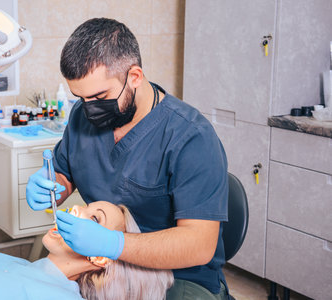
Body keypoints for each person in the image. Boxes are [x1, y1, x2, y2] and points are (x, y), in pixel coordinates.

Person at [26, 18, 229, 299]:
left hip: (179, 275)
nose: (90, 109)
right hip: (103, 265)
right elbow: (64, 173)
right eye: (80, 98)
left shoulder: (191, 138)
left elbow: (199, 245)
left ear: (134, 76)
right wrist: (53, 183)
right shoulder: (82, 116)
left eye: (100, 96)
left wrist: (114, 243)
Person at [0, 201, 173, 300]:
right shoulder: (24, 272)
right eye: (85, 205)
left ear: (99, 256)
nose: (74, 209)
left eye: (93, 218)